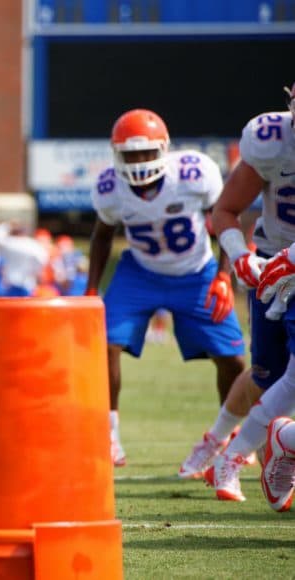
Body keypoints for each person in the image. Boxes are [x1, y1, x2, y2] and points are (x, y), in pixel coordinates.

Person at [86, 108, 246, 468]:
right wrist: (91, 290)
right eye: (130, 154)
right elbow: (102, 236)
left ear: (164, 149)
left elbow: (227, 218)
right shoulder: (110, 187)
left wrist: (224, 275)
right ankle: (109, 434)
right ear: (116, 154)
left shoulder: (193, 172)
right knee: (105, 343)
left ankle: (231, 432)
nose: (139, 161)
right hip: (141, 271)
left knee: (233, 358)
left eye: (145, 152)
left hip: (197, 271)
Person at [198, 86, 295, 503]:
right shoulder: (272, 139)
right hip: (279, 271)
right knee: (273, 376)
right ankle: (252, 450)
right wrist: (239, 256)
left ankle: (255, 450)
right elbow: (225, 209)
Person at [0, 221, 47, 296]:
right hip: (26, 283)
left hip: (11, 283)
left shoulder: (9, 243)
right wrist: (35, 271)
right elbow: (42, 260)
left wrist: (8, 224)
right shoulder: (32, 244)